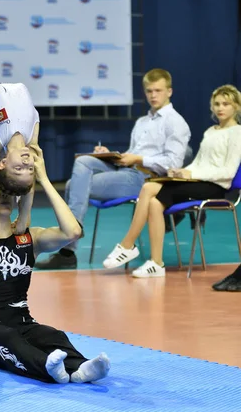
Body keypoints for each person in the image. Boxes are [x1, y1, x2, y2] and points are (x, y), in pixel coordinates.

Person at [0, 145, 111, 384]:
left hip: (23, 325)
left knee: (52, 335)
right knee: (8, 338)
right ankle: (45, 368)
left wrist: (44, 179)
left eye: (6, 192)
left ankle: (79, 369)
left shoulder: (28, 239)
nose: (2, 196)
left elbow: (73, 231)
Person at [35, 68, 191, 270]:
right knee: (83, 161)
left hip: (147, 180)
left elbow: (173, 163)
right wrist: (111, 155)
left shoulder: (176, 122)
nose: (153, 95)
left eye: (158, 91)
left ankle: (68, 247)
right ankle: (70, 238)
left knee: (74, 185)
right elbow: (132, 153)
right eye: (149, 91)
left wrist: (138, 158)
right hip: (127, 170)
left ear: (169, 91)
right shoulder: (142, 122)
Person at [103, 84, 241, 278]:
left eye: (226, 104)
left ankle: (127, 245)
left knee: (150, 187)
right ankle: (156, 263)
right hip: (198, 181)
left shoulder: (237, 133)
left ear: (236, 106)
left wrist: (192, 176)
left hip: (216, 187)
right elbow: (199, 163)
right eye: (217, 104)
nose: (220, 108)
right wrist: (183, 171)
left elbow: (228, 171)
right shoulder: (211, 131)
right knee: (152, 200)